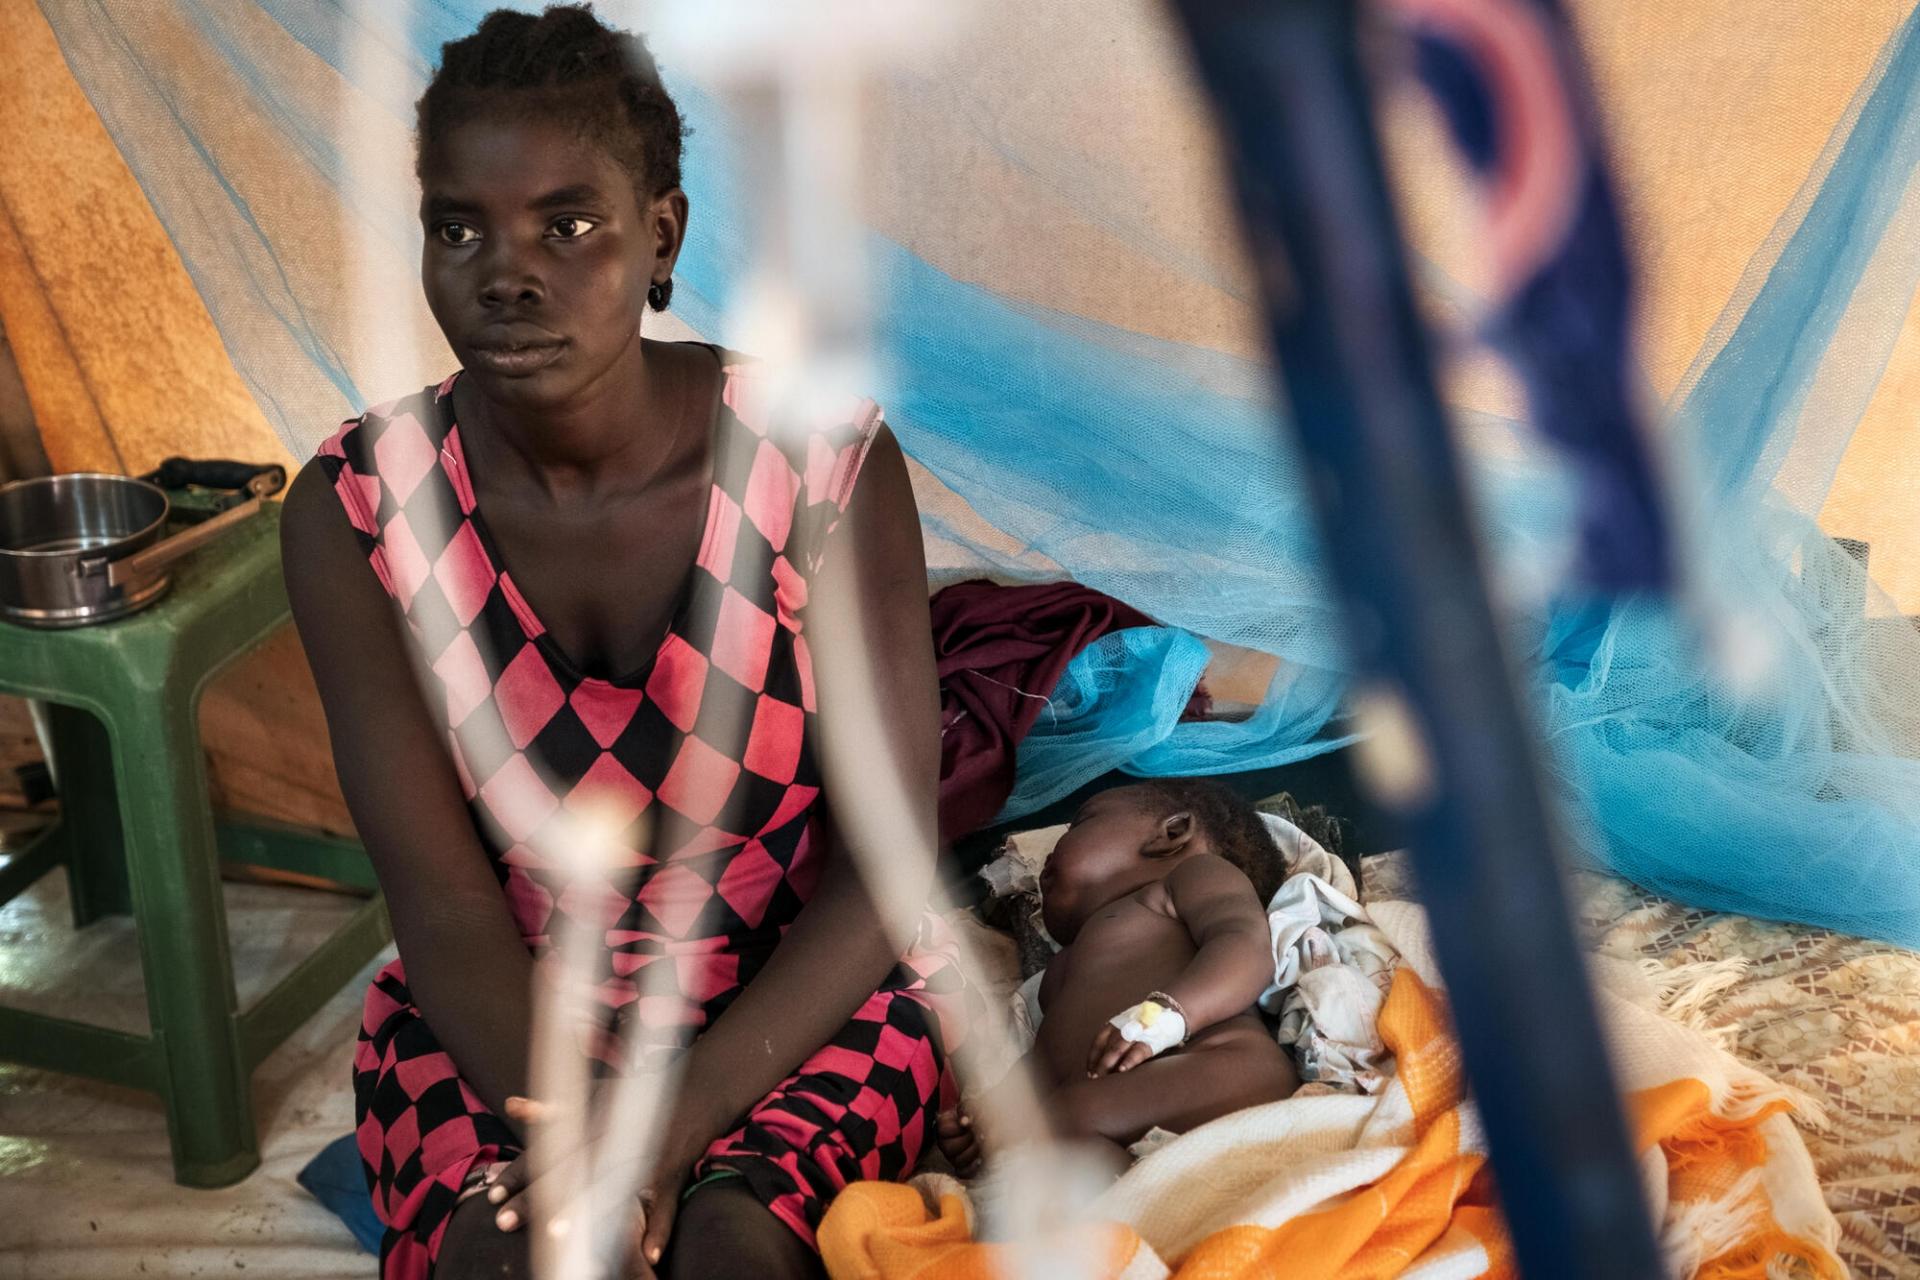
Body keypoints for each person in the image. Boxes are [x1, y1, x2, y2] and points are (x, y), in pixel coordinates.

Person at [280, 7, 966, 1277]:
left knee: (733, 1248)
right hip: (509, 1015)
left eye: (568, 223)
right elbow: (441, 902)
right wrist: (586, 1142)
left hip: (798, 1002)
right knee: (521, 1250)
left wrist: (673, 1126)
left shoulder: (822, 468)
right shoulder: (359, 513)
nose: (507, 272)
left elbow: (889, 867)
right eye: (459, 227)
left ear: (663, 233)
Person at [936, 781, 1298, 1178]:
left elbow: (1244, 942)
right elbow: (1047, 1065)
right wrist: (991, 1114)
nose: (1048, 857)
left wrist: (1167, 1015)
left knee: (1066, 1120)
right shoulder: (1057, 973)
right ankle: (1150, 1212)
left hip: (1222, 1070)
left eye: (1079, 824)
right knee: (1056, 1143)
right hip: (1110, 1120)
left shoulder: (1192, 879)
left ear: (1171, 834)